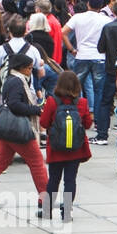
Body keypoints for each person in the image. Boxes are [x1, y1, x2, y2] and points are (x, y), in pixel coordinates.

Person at [0, 53, 48, 207]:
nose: (30, 71)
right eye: (29, 68)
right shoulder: (17, 82)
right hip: (18, 130)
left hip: (8, 128)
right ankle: (46, 198)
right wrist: (35, 109)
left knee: (0, 162)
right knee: (37, 162)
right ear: (21, 68)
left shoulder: (10, 79)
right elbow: (14, 105)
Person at [39, 69, 92, 221]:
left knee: (54, 179)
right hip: (76, 149)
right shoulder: (82, 103)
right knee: (70, 180)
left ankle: (47, 210)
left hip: (56, 148)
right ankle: (67, 211)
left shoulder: (52, 101)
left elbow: (43, 122)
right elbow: (88, 124)